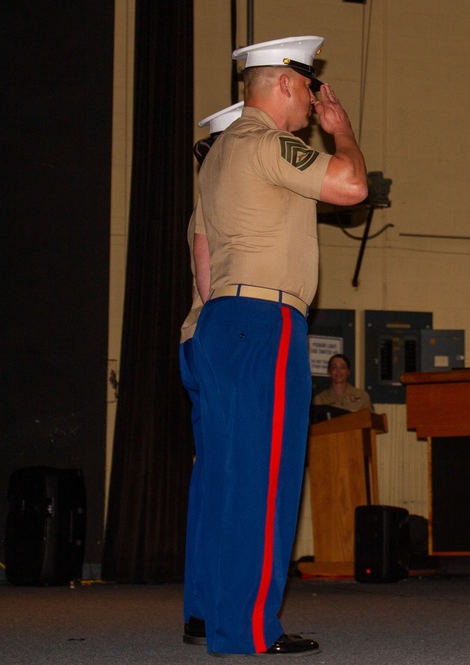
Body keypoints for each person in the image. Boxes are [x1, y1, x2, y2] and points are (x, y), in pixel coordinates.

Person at [186, 35, 367, 656]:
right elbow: (351, 187)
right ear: (286, 84)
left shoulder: (218, 156)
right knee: (266, 482)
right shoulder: (266, 142)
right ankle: (252, 630)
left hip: (223, 318)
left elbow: (204, 265)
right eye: (310, 87)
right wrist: (342, 132)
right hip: (265, 320)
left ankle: (216, 616)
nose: (314, 102)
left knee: (229, 478)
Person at [179, 102, 243, 648]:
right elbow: (211, 286)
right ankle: (219, 605)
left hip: (198, 340)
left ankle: (201, 606)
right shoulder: (222, 200)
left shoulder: (209, 198)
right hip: (220, 337)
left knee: (212, 475)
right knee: (230, 477)